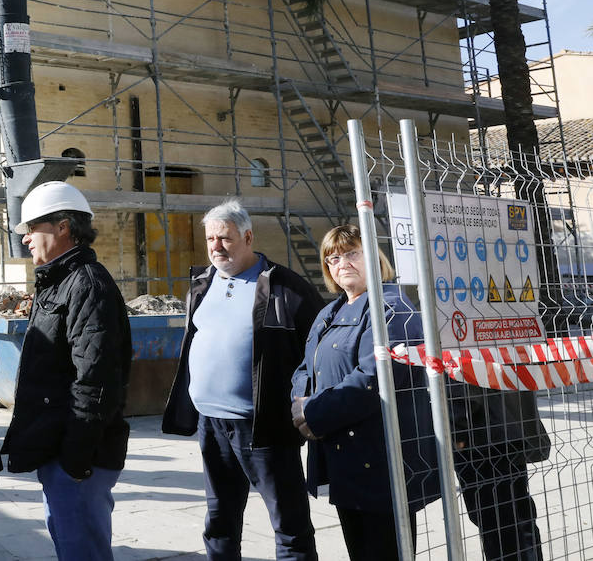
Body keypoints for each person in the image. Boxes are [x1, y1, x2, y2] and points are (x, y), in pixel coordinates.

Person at [163, 199, 324, 561]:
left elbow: (318, 351)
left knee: (289, 525)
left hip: (263, 426)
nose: (216, 247)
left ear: (248, 236)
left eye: (225, 238)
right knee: (219, 522)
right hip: (212, 424)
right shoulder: (202, 284)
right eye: (210, 239)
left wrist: (304, 403)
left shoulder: (287, 288)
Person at [289, 225, 439, 561]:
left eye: (352, 253)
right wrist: (300, 404)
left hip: (381, 461)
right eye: (333, 258)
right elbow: (305, 368)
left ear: (374, 256)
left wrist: (313, 413)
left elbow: (374, 378)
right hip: (344, 457)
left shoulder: (392, 310)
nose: (342, 263)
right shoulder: (329, 313)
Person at [3, 182, 131, 561]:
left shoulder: (87, 285)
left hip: (79, 458)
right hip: (61, 451)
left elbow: (95, 380)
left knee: (82, 552)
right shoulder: (58, 281)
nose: (25, 239)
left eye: (32, 228)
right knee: (68, 544)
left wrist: (75, 460)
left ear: (62, 227)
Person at [451, 387, 548, 560]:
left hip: (482, 437)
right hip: (508, 429)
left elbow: (460, 380)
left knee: (497, 521)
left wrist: (457, 431)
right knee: (518, 514)